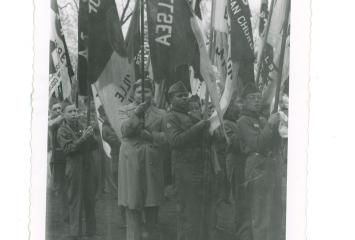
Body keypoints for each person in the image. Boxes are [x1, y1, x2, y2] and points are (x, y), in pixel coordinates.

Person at [117, 78, 168, 240]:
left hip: (151, 162)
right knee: (133, 206)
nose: (143, 94)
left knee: (152, 205)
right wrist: (136, 114)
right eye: (139, 91)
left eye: (147, 91)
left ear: (153, 93)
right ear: (133, 93)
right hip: (131, 163)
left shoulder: (161, 113)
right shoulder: (124, 110)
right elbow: (124, 131)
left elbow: (167, 138)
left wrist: (151, 136)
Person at [164, 81, 212, 240]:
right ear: (171, 99)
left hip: (200, 168)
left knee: (201, 213)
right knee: (187, 214)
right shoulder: (170, 117)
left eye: (186, 95)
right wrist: (198, 127)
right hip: (184, 170)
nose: (185, 98)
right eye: (180, 96)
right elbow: (175, 141)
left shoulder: (192, 115)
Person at [235, 84, 280, 240]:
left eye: (258, 97)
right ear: (243, 102)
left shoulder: (260, 119)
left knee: (270, 211)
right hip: (256, 167)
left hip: (267, 166)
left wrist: (275, 127)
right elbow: (257, 144)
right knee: (260, 215)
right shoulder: (243, 121)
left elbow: (272, 143)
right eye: (252, 98)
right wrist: (270, 124)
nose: (256, 101)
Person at [57, 99, 99, 240]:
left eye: (75, 111)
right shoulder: (62, 130)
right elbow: (69, 149)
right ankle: (75, 233)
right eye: (70, 111)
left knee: (90, 199)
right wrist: (83, 138)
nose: (74, 114)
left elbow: (94, 146)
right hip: (74, 167)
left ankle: (91, 232)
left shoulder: (81, 125)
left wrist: (91, 135)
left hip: (87, 166)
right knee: (75, 199)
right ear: (63, 115)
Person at [48, 98, 65, 198]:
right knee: (56, 175)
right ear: (51, 110)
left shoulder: (61, 119)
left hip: (63, 151)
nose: (58, 110)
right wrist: (64, 115)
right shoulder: (50, 120)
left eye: (60, 108)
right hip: (54, 153)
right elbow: (52, 124)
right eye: (56, 109)